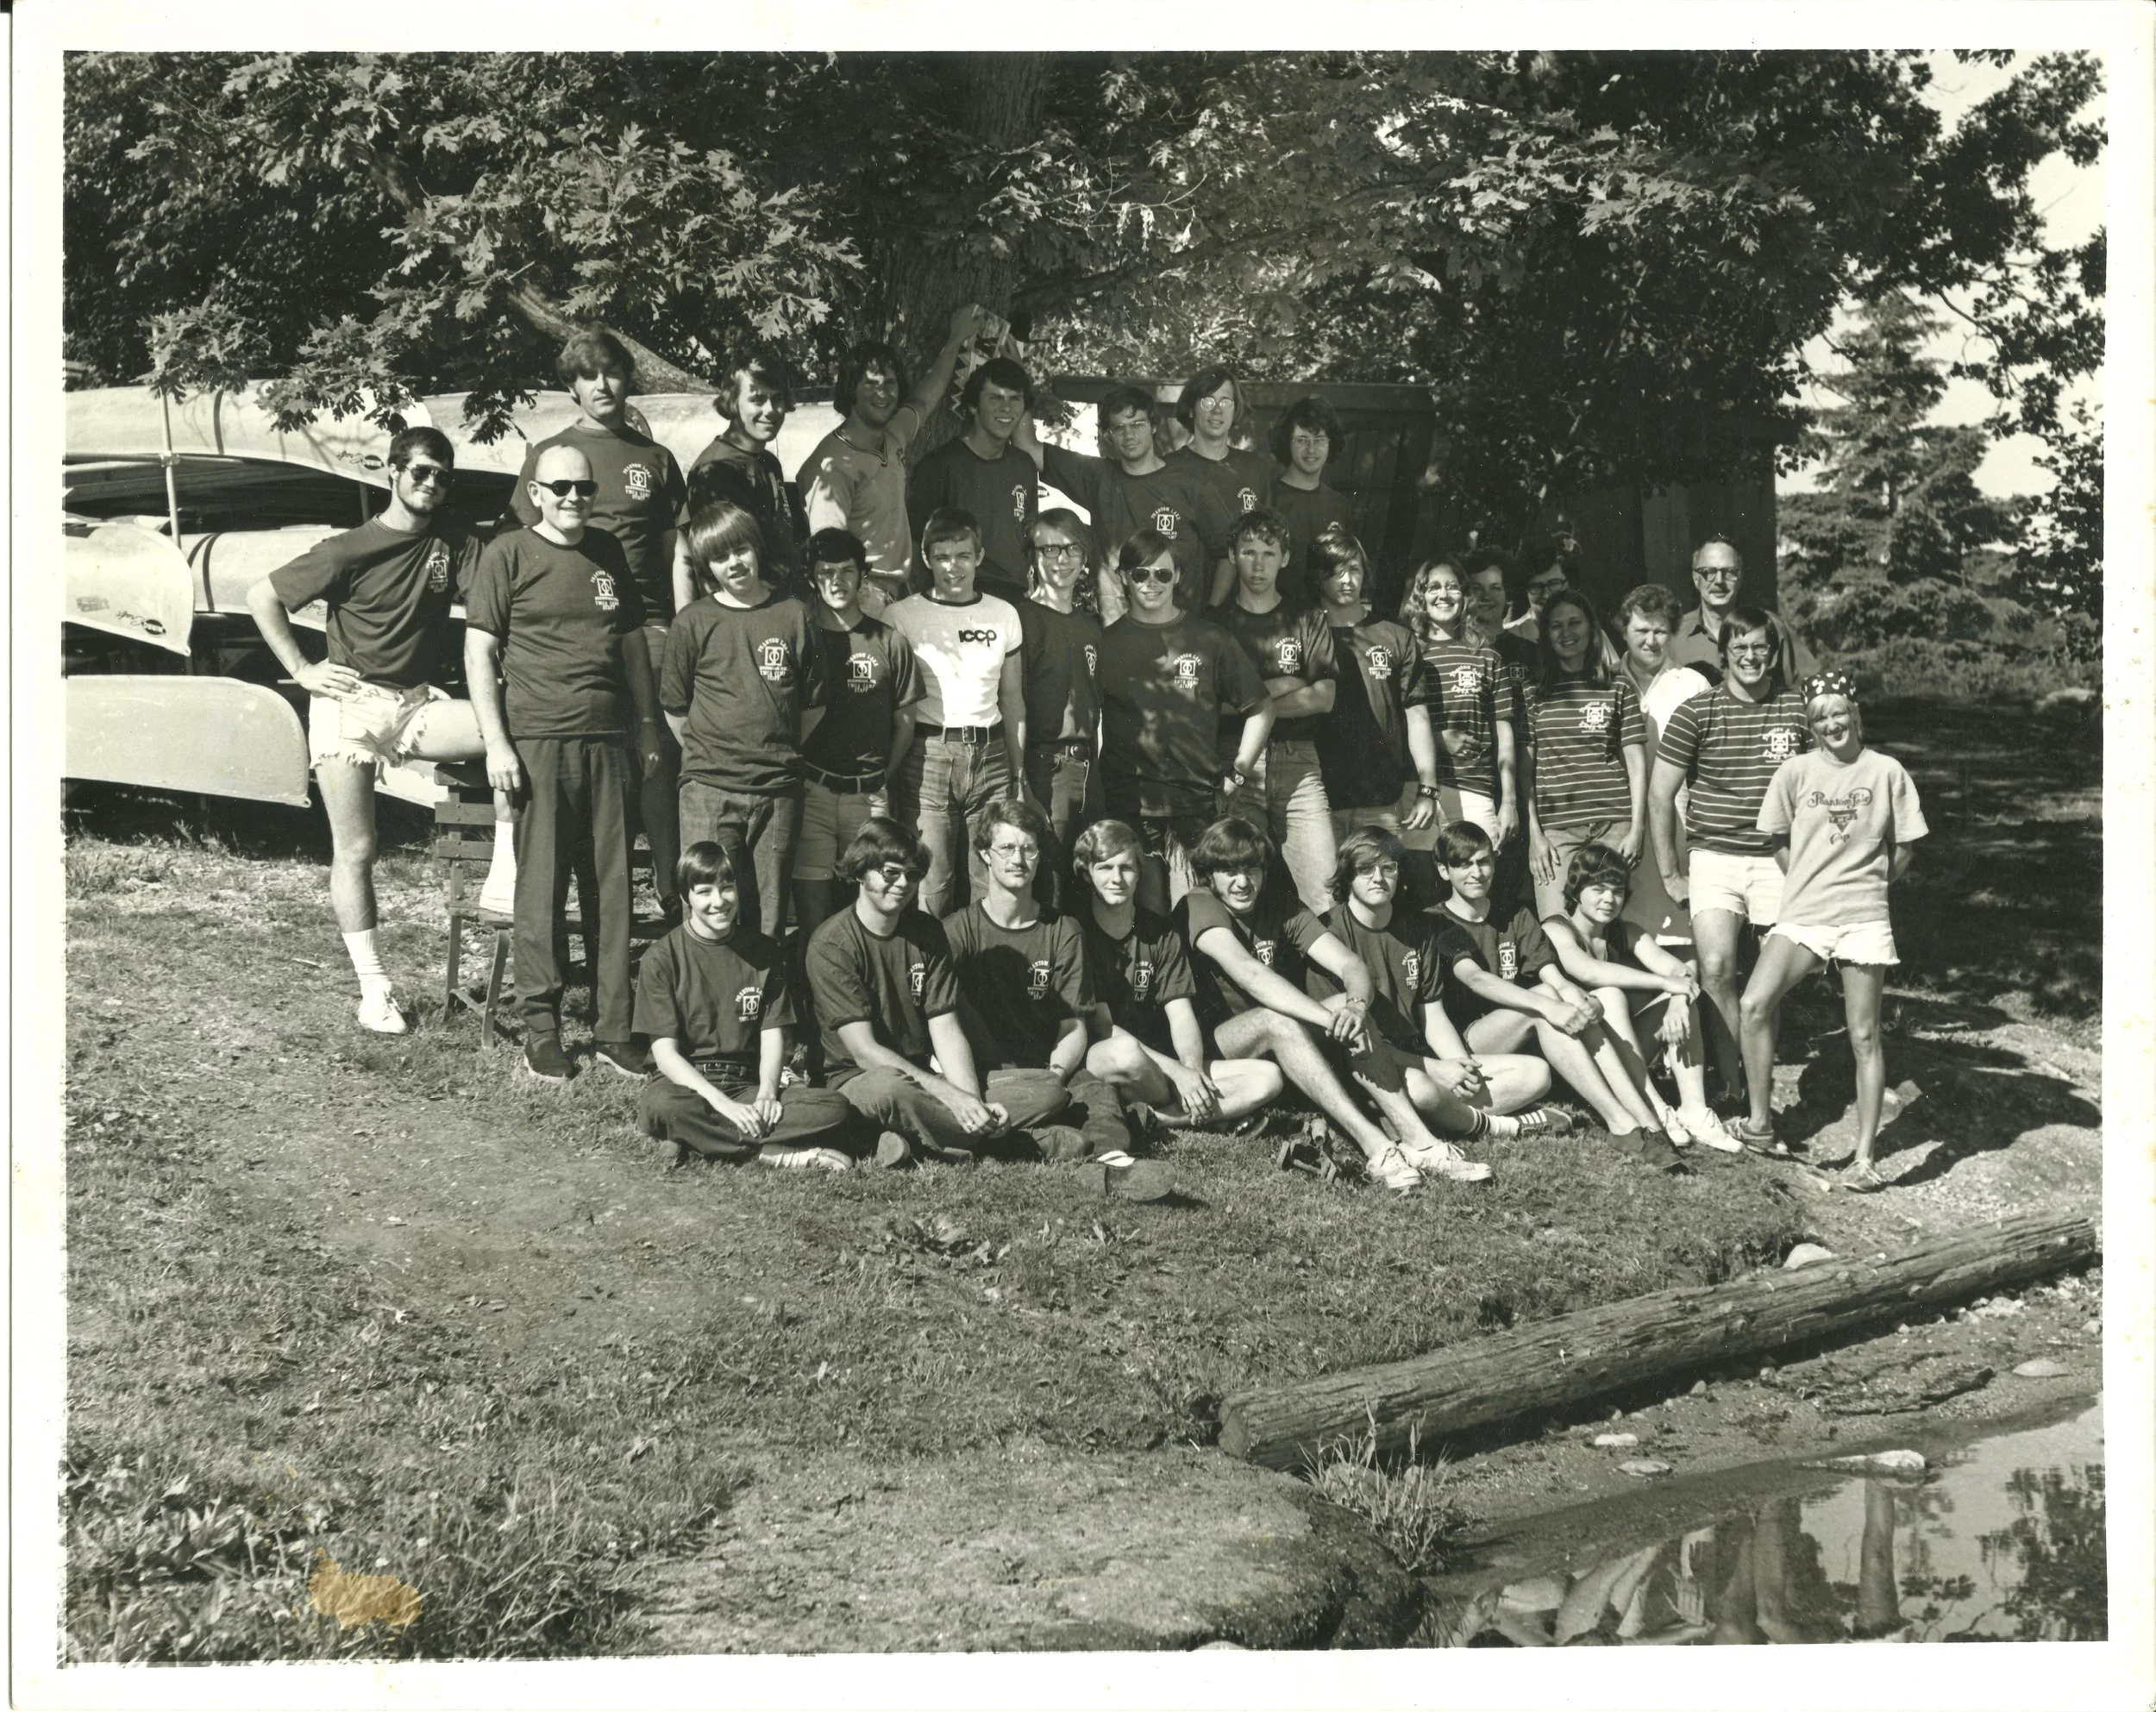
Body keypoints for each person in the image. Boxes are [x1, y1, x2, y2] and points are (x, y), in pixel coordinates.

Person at [247, 426, 507, 1033]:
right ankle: (374, 987)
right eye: (420, 471)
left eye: (443, 474)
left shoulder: (456, 542)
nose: (432, 483)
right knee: (359, 848)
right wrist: (304, 669)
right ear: (392, 472)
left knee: (513, 726)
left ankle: (507, 869)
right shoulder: (348, 548)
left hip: (415, 705)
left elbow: (502, 596)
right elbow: (263, 596)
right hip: (351, 704)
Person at [805, 818, 1155, 1197]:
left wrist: (968, 1098)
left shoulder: (926, 933)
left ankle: (932, 1142)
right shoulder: (834, 943)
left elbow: (945, 1027)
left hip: (927, 1078)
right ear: (860, 871)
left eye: (912, 874)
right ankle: (1011, 1143)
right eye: (890, 873)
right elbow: (865, 1052)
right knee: (889, 1090)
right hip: (863, 1079)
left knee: (1049, 1092)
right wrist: (955, 1100)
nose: (903, 884)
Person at [465, 443, 662, 1083]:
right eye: (561, 488)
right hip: (540, 741)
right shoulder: (509, 554)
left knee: (610, 890)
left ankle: (612, 1029)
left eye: (584, 488)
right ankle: (542, 1028)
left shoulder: (608, 552)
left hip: (609, 741)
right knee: (542, 886)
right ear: (537, 493)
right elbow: (479, 653)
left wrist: (647, 722)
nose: (575, 498)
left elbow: (632, 644)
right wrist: (496, 743)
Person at [1177, 816, 1494, 1189]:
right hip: (1217, 1047)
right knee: (1278, 1020)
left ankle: (1421, 1143)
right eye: (1228, 871)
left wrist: (1356, 1006)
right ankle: (1376, 1148)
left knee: (1343, 1003)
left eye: (1251, 869)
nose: (1242, 882)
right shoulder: (1199, 904)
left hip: (1285, 1039)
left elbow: (1350, 964)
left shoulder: (1281, 905)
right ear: (1208, 875)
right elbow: (1250, 973)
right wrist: (1327, 1018)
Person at [511, 329, 689, 914]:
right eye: (589, 376)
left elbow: (673, 555)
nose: (603, 385)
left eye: (612, 372)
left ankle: (670, 879)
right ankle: (561, 888)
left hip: (648, 625)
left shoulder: (655, 459)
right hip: (571, 629)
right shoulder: (550, 454)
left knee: (661, 737)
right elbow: (525, 548)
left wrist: (682, 626)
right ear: (573, 387)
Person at [1739, 672, 1927, 1184]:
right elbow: (1775, 839)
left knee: (1864, 1035)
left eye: (1838, 712)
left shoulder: (1887, 770)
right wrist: (1806, 877)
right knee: (1754, 1004)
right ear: (1810, 725)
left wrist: (1870, 884)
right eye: (1820, 717)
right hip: (1804, 914)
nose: (1831, 723)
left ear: (1854, 712)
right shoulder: (1795, 772)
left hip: (1864, 918)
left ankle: (1864, 1161)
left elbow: (1905, 845)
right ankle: (1758, 1124)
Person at [1432, 821, 1685, 1165]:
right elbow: (1476, 979)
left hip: (1525, 1030)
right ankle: (1620, 1123)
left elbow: (1557, 977)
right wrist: (1550, 1003)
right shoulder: (1435, 921)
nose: (1476, 872)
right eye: (1463, 864)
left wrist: (1582, 1000)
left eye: (1484, 862)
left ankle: (1648, 1122)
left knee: (1565, 996)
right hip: (1470, 1040)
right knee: (1546, 998)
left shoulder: (1516, 915)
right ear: (1444, 871)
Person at [942, 800, 1166, 1185]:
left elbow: (1074, 1025)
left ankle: (1111, 1165)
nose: (1018, 859)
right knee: (1018, 1106)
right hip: (987, 1075)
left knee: (1098, 1097)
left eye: (1029, 848)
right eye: (1007, 848)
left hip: (1048, 1069)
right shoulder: (957, 931)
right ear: (984, 855)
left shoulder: (1063, 931)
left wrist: (1057, 1074)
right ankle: (1037, 1140)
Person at [1650, 604, 1814, 1109]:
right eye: (1739, 648)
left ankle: (1758, 1087)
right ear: (1723, 655)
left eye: (1760, 647)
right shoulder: (1697, 711)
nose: (1750, 657)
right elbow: (1660, 795)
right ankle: (1733, 1083)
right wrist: (1671, 872)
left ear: (1774, 651)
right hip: (1715, 856)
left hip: (1777, 859)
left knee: (1766, 978)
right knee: (1718, 968)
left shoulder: (1796, 710)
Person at [1319, 829, 1572, 1139]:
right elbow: (1345, 1043)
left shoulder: (1418, 928)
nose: (1378, 878)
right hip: (1369, 1067)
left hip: (1423, 1060)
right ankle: (1498, 1124)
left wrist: (1459, 1065)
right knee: (1423, 1091)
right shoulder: (1328, 934)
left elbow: (1432, 1016)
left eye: (1388, 868)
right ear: (1347, 876)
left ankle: (1430, 1119)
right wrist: (1434, 1068)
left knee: (1536, 1074)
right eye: (1365, 869)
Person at [635, 842, 859, 1170]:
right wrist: (724, 1106)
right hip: (688, 1084)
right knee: (661, 1105)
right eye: (704, 892)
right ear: (686, 898)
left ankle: (697, 1140)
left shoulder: (764, 952)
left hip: (747, 1082)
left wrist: (767, 1093)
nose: (719, 902)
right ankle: (775, 1153)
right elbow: (666, 1055)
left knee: (835, 1106)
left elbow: (772, 1033)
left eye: (727, 888)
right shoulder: (661, 959)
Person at [661, 499, 824, 941]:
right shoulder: (693, 622)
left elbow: (812, 705)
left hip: (777, 791)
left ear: (756, 548)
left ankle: (763, 1009)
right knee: (708, 914)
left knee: (767, 916)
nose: (732, 563)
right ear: (705, 566)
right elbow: (676, 710)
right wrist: (715, 755)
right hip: (709, 790)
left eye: (740, 551)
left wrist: (772, 748)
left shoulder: (794, 614)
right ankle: (705, 1008)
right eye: (718, 557)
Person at [1095, 530, 1274, 914]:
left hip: (1197, 809)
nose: (1151, 583)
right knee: (1148, 924)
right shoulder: (1104, 644)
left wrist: (1239, 773)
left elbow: (1261, 708)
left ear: (1178, 576)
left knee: (1201, 919)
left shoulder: (1209, 639)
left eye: (1162, 574)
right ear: (1123, 576)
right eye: (1140, 574)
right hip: (1131, 809)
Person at [1070, 818, 1283, 1130]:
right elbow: (1103, 1027)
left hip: (1162, 1066)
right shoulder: (1076, 933)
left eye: (1127, 868)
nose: (1117, 878)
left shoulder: (1160, 932)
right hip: (1109, 1059)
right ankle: (1211, 1113)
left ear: (1140, 872)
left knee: (1269, 1077)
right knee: (1124, 1053)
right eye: (1105, 868)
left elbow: (1181, 1016)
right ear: (1087, 873)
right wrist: (1180, 1075)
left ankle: (1158, 1119)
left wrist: (1192, 1071)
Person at [1543, 843, 1740, 1152]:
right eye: (1598, 889)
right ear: (1576, 890)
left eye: (1618, 891)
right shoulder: (1556, 929)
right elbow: (1588, 971)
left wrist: (1677, 999)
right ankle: (1654, 1107)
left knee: (1681, 1003)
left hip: (1621, 1051)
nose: (1609, 899)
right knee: (1609, 995)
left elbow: (1678, 969)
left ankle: (1694, 1110)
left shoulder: (1626, 931)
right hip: (1577, 1059)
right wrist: (1669, 983)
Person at [885, 508, 1028, 915]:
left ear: (979, 557)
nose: (953, 567)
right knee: (933, 885)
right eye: (942, 556)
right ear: (926, 559)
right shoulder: (901, 616)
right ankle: (932, 978)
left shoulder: (1003, 615)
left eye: (963, 555)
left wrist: (1018, 775)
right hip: (929, 757)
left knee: (991, 880)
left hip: (992, 759)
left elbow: (1013, 699)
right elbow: (893, 704)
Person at [797, 304, 987, 608]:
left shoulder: (892, 434)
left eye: (889, 383)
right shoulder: (833, 465)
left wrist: (956, 340)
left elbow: (925, 397)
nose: (882, 392)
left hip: (897, 593)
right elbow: (827, 554)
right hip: (860, 597)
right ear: (850, 389)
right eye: (870, 383)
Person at [792, 528, 923, 941]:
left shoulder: (888, 641)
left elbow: (905, 720)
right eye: (826, 571)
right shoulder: (801, 638)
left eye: (847, 570)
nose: (837, 580)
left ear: (862, 575)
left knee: (872, 911)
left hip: (868, 797)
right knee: (813, 913)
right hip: (814, 790)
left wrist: (883, 775)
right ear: (813, 577)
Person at [1213, 508, 1339, 912]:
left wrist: (1248, 704)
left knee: (1324, 889)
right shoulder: (1215, 624)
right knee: (1239, 887)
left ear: (1284, 558)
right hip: (1235, 761)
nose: (1258, 563)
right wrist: (1287, 685)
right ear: (1232, 556)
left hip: (1298, 763)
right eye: (1248, 552)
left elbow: (1323, 697)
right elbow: (1211, 704)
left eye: (1269, 553)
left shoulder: (1307, 618)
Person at [1019, 384, 1232, 616]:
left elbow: (1229, 551)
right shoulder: (1098, 478)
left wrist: (1214, 611)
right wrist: (1018, 381)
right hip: (1119, 633)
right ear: (1107, 434)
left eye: (1137, 424)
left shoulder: (1190, 484)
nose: (1129, 435)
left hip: (1181, 634)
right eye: (1118, 427)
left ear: (1153, 426)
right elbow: (1028, 448)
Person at [1310, 526, 1442, 847]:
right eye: (1336, 571)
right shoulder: (1305, 632)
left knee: (1379, 888)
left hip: (1380, 797)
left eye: (1354, 569)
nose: (1347, 580)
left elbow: (1417, 715)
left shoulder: (1396, 636)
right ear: (1318, 577)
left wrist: (1427, 788)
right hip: (1316, 799)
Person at [1523, 588, 1648, 923]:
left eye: (1575, 622)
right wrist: (1535, 835)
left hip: (1614, 825)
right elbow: (1525, 770)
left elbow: (1636, 764)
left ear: (1592, 629)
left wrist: (1637, 828)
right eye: (1556, 626)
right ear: (1546, 635)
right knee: (1556, 925)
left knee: (1609, 927)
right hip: (1557, 832)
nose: (1567, 633)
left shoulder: (1618, 686)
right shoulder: (1533, 692)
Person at [1612, 583, 1714, 949]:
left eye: (1660, 631)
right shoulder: (1605, 681)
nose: (1651, 641)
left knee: (1683, 939)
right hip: (1621, 829)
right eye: (1642, 630)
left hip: (1681, 829)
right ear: (1624, 631)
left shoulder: (1692, 684)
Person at [1015, 509, 1106, 903]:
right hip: (1044, 765)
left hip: (1090, 769)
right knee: (1049, 889)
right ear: (1033, 558)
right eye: (1049, 549)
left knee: (1088, 888)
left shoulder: (1091, 625)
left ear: (1085, 559)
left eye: (1071, 548)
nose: (1062, 559)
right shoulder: (1020, 618)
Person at [1397, 555, 1514, 851]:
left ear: (1465, 597)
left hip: (1475, 789)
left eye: (1453, 587)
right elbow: (1393, 723)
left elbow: (1505, 733)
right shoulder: (1407, 653)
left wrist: (1509, 801)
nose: (1444, 595)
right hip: (1417, 790)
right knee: (1422, 888)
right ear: (1420, 597)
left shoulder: (1488, 657)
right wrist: (1437, 740)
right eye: (1434, 587)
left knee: (1475, 879)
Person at [906, 354, 1039, 599]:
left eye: (1015, 399)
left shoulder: (1024, 466)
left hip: (1014, 600)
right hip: (960, 597)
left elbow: (1030, 541)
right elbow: (915, 545)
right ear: (973, 405)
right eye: (995, 398)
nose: (1007, 408)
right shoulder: (940, 465)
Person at [682, 348, 809, 598]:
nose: (771, 410)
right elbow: (713, 567)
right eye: (757, 399)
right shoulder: (715, 470)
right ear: (732, 401)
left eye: (778, 398)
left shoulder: (769, 462)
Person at [1667, 535, 1819, 686]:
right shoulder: (1674, 636)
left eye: (1729, 572)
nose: (1719, 581)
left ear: (1740, 576)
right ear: (1696, 578)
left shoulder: (1771, 626)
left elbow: (1815, 686)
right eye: (1709, 572)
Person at [1170, 365, 1273, 576]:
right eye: (1208, 401)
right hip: (1182, 599)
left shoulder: (1255, 469)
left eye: (1225, 401)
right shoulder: (1168, 469)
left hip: (1243, 600)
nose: (1217, 409)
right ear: (1191, 409)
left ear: (1235, 409)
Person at [1268, 396, 1357, 608]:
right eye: (1301, 440)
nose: (1311, 449)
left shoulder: (1339, 505)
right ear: (1286, 442)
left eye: (1319, 440)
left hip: (1324, 620)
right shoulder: (1268, 498)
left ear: (1330, 443)